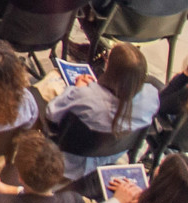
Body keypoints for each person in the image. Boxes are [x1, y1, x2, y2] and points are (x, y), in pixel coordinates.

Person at [45, 40, 159, 178]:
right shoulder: (152, 96)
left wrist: (75, 89)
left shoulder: (84, 96)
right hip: (109, 157)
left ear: (110, 69)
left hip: (69, 163)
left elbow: (51, 113)